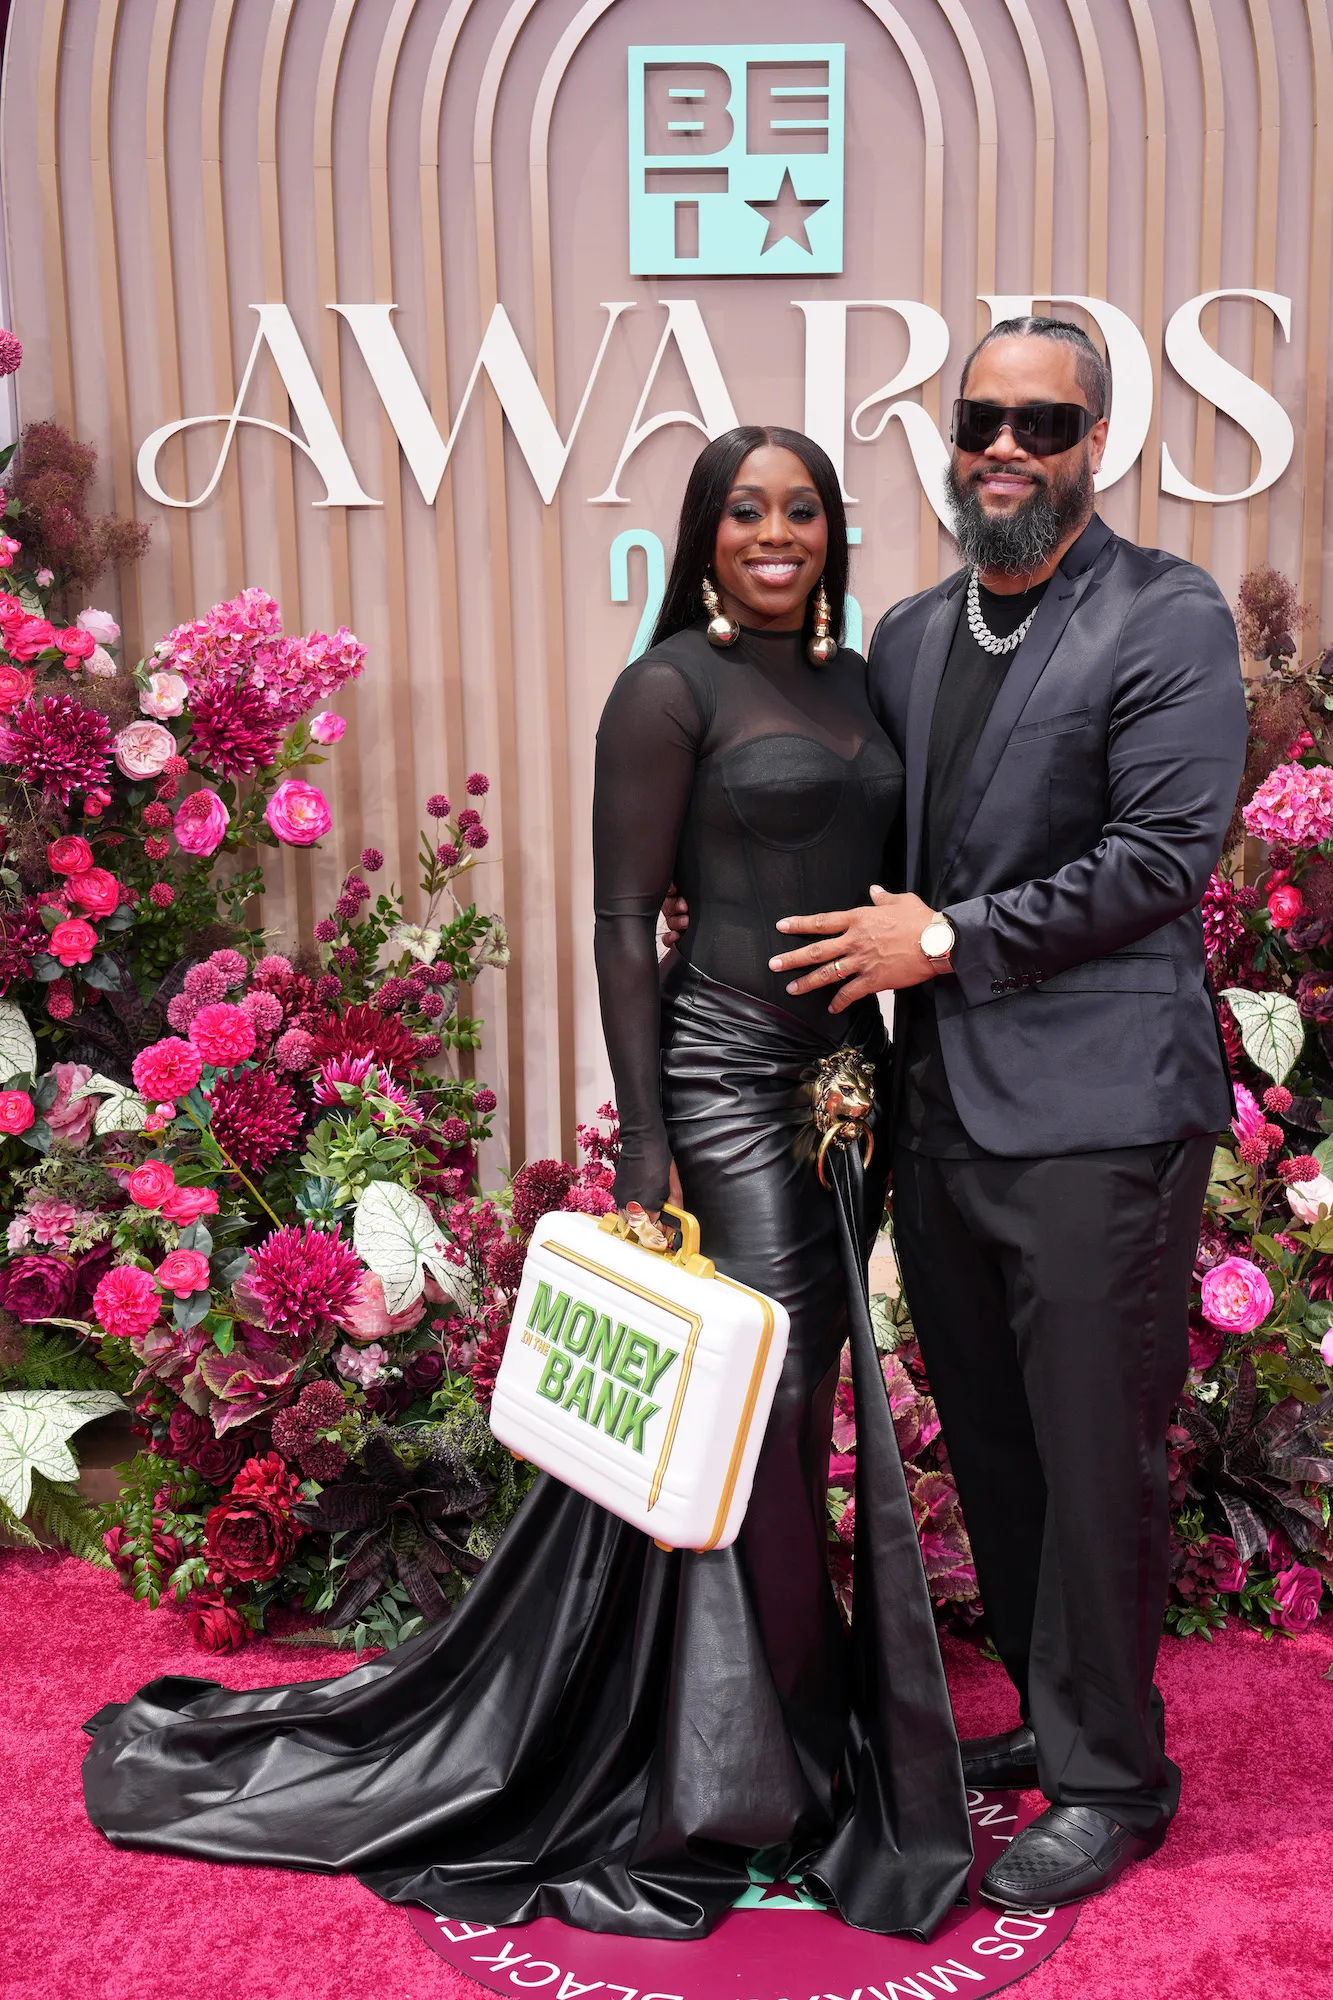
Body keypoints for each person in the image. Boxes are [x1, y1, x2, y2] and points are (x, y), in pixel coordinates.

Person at [81, 426, 972, 1943]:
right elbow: (628, 920)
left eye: (802, 511)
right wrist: (645, 1142)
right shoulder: (666, 686)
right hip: (722, 1085)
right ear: (703, 534)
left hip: (850, 1094)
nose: (776, 534)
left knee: (783, 1406)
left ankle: (761, 1725)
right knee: (750, 1414)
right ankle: (747, 1776)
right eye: (745, 511)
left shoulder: (860, 680)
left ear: (835, 532)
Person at [760, 319, 1247, 1910]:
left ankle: (1117, 1780)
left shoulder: (1164, 615)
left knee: (1100, 1451)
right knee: (999, 1445)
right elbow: (858, 837)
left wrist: (951, 940)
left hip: (1104, 1118)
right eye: (983, 417)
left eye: (1043, 420)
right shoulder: (907, 632)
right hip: (947, 1114)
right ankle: (1054, 1721)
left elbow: (1165, 854)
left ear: (1096, 438)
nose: (1006, 448)